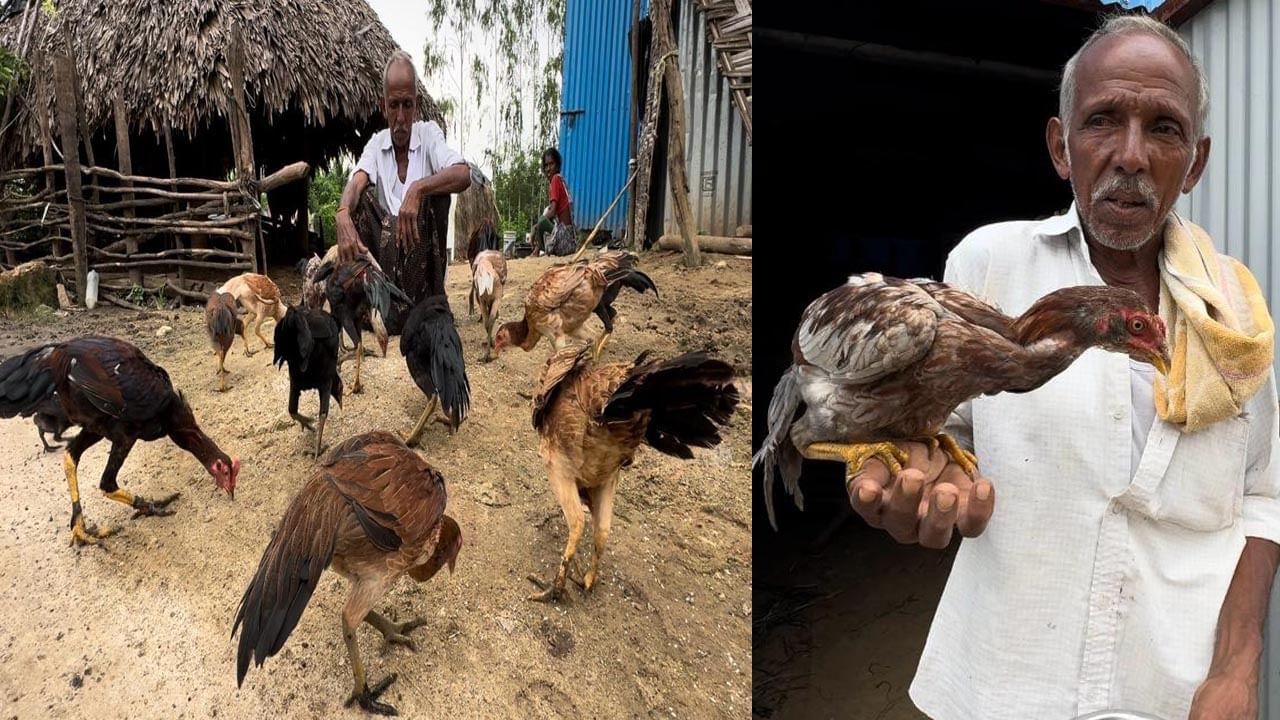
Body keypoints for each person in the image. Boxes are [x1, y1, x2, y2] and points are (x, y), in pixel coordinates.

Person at [846, 15, 1280, 720]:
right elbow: (927, 426)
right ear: (1061, 146)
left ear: (1195, 163)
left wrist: (1237, 668)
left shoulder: (1235, 315)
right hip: (1001, 685)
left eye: (1164, 128)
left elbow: (1264, 495)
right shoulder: (990, 265)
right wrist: (910, 466)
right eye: (1103, 120)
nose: (1132, 155)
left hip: (1173, 692)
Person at [334, 49, 472, 332]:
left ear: (417, 105)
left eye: (407, 105)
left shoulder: (429, 134)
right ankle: (375, 303)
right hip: (385, 271)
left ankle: (430, 303)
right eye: (394, 105)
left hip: (421, 273)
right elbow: (357, 180)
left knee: (439, 196)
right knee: (360, 200)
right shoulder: (376, 143)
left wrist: (419, 189)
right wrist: (342, 211)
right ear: (383, 106)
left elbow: (463, 173)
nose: (400, 117)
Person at [532, 148, 577, 256]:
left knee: (542, 221)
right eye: (546, 166)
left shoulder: (556, 180)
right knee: (545, 213)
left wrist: (535, 227)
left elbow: (552, 212)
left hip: (564, 241)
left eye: (551, 164)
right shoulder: (561, 180)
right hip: (570, 241)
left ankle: (536, 251)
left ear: (557, 165)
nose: (548, 169)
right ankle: (537, 250)